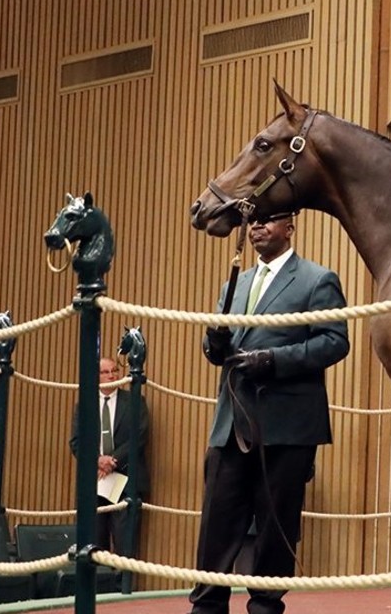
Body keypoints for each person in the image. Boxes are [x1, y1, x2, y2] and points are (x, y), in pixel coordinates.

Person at [189, 211, 349, 614]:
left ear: (290, 227)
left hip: (287, 429)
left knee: (276, 530)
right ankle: (207, 607)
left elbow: (335, 343)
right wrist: (214, 342)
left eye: (268, 220)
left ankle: (264, 607)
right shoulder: (234, 284)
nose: (258, 226)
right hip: (230, 425)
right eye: (253, 222)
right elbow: (217, 355)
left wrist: (272, 361)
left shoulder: (317, 279)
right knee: (216, 525)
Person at [68, 357, 150, 554]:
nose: (112, 375)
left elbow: (139, 436)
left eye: (114, 370)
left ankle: (123, 585)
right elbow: (77, 441)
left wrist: (112, 461)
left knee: (125, 546)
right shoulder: (84, 405)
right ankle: (100, 585)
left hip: (125, 481)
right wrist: (97, 460)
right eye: (105, 372)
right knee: (94, 545)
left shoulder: (135, 401)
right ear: (96, 376)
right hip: (94, 482)